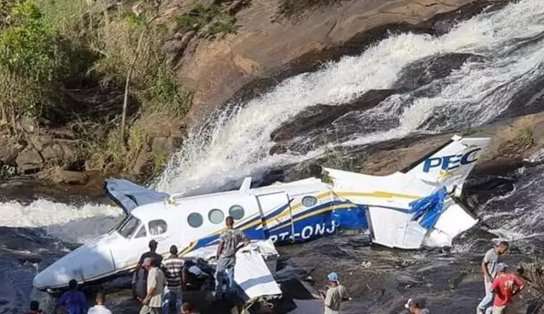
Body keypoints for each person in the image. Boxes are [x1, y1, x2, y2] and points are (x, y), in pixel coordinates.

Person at [215, 216, 250, 297]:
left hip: (223, 257)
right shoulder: (239, 232)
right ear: (233, 222)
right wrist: (238, 248)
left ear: (226, 223)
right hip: (232, 256)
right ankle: (230, 291)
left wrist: (217, 255)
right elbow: (248, 241)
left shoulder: (223, 234)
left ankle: (218, 293)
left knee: (218, 275)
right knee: (230, 275)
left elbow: (220, 246)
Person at [477, 241, 509, 314]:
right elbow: (483, 264)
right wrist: (488, 276)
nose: (505, 251)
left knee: (493, 299)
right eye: (505, 249)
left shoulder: (500, 255)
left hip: (496, 279)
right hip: (489, 278)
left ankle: (488, 312)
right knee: (490, 296)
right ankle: (480, 308)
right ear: (501, 247)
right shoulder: (490, 253)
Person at [162, 245, 185, 314]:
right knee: (179, 302)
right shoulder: (182, 261)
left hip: (169, 284)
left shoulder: (165, 262)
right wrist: (184, 284)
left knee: (170, 302)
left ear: (170, 252)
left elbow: (164, 273)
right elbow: (183, 275)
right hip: (178, 284)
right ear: (177, 251)